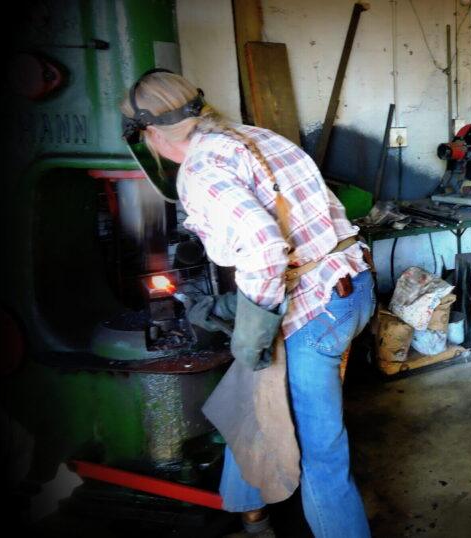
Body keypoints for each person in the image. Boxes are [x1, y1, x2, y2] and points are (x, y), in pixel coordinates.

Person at [121, 70, 374, 537]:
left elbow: (263, 244)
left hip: (314, 313)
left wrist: (252, 332)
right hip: (355, 289)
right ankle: (253, 516)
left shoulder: (198, 171)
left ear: (151, 134)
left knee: (323, 456)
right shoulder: (257, 137)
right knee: (255, 398)